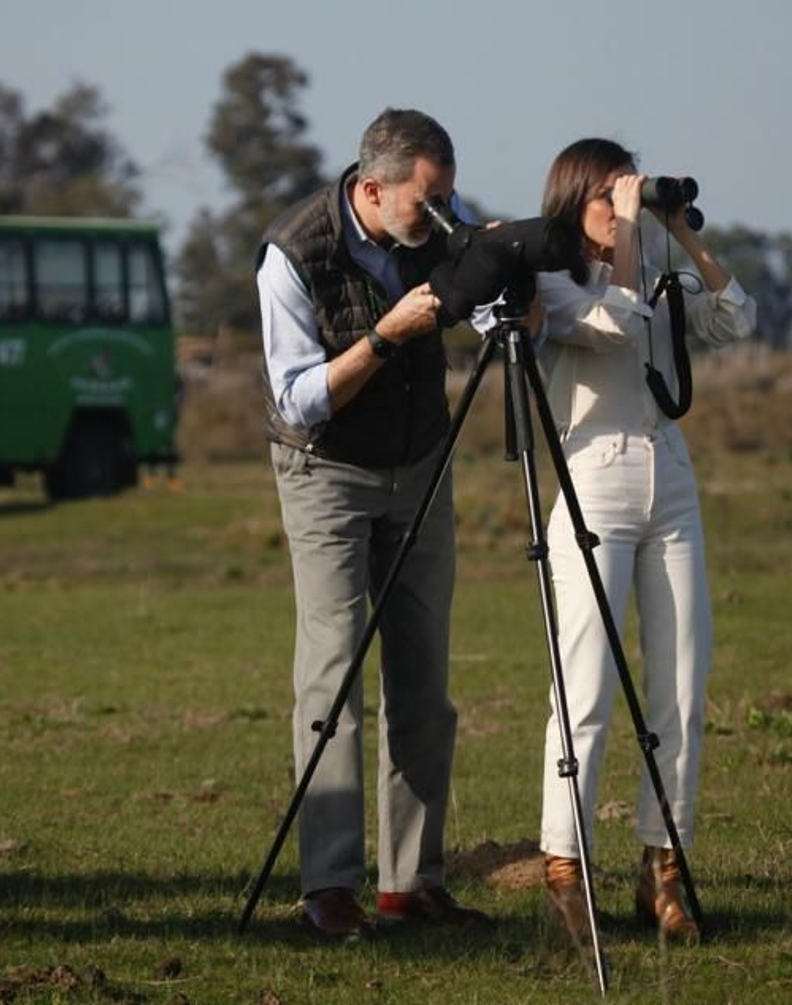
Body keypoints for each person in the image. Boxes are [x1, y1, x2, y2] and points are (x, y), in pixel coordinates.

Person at [257, 108, 487, 938]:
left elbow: (487, 267)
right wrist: (386, 337)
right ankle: (329, 885)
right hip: (328, 469)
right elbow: (298, 397)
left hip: (420, 462)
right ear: (372, 188)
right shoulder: (292, 253)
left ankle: (412, 882)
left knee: (424, 678)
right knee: (334, 671)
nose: (439, 218)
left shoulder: (434, 227)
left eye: (447, 201)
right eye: (426, 204)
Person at [532, 138, 755, 943]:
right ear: (576, 197)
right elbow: (617, 325)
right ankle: (565, 869)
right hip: (593, 484)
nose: (622, 202)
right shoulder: (551, 281)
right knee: (586, 687)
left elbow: (735, 316)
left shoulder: (655, 267)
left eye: (627, 190)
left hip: (672, 482)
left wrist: (681, 231)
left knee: (684, 687)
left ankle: (664, 864)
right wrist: (629, 235)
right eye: (609, 192)